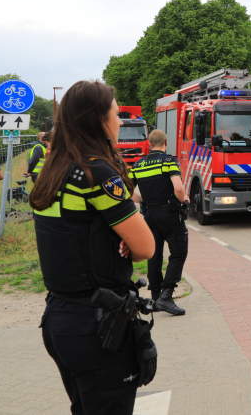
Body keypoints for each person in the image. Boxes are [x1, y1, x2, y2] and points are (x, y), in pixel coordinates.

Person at [29, 81, 155, 414]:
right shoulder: (96, 172)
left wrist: (111, 235)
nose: (120, 122)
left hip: (60, 316)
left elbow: (73, 230)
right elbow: (146, 247)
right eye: (116, 114)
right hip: (97, 326)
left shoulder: (52, 169)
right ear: (99, 119)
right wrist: (123, 236)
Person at [130, 129, 188, 316]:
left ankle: (155, 298)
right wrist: (184, 201)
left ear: (148, 144)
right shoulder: (169, 161)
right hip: (170, 214)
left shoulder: (138, 165)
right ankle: (167, 296)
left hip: (149, 216)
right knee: (178, 253)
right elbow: (178, 187)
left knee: (154, 255)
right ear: (166, 142)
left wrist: (143, 200)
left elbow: (126, 192)